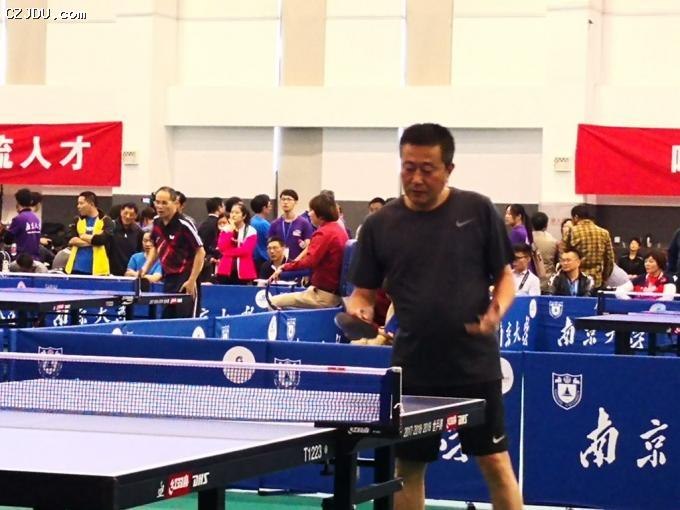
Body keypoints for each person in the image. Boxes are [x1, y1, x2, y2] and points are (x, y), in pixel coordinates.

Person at [346, 123, 522, 510]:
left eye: (427, 169)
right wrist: (359, 307)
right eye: (408, 167)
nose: (416, 178)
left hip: (473, 362)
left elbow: (505, 276)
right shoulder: (379, 224)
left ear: (449, 169)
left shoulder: (477, 210)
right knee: (408, 468)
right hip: (414, 366)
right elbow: (363, 291)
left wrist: (496, 310)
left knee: (495, 463)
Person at [269, 193, 349, 309]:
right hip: (330, 292)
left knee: (272, 301)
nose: (309, 214)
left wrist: (284, 267)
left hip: (323, 295)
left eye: (312, 210)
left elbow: (309, 261)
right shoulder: (339, 230)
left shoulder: (323, 233)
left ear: (320, 214)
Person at [140, 186, 205, 318]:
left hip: (186, 278)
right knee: (168, 319)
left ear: (175, 203)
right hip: (168, 278)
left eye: (164, 203)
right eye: (157, 202)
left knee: (186, 321)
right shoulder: (157, 222)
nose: (160, 206)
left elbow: (200, 252)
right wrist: (145, 268)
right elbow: (155, 247)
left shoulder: (184, 224)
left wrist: (191, 280)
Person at [565, 204, 615, 289]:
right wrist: (604, 278)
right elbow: (610, 259)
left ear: (576, 217)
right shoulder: (604, 233)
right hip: (596, 280)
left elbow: (564, 255)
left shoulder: (572, 231)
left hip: (576, 280)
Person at [65, 191, 114, 276]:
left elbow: (102, 239)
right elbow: (72, 240)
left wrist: (82, 236)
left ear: (91, 204)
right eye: (78, 203)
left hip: (98, 271)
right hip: (75, 269)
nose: (78, 206)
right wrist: (94, 241)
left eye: (81, 203)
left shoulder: (106, 220)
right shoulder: (77, 220)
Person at [214, 203, 258, 285]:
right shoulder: (225, 229)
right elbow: (222, 247)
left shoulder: (251, 230)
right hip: (225, 271)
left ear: (244, 216)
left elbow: (246, 251)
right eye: (232, 212)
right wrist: (230, 230)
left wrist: (227, 252)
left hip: (244, 272)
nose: (233, 215)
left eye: (237, 213)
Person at [267, 189, 314, 261]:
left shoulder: (304, 223)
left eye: (289, 199)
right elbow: (270, 245)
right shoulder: (274, 224)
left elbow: (308, 246)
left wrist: (296, 261)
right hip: (279, 263)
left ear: (296, 202)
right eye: (283, 199)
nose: (285, 202)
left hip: (298, 263)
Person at [0, 188, 42, 260]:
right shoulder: (36, 219)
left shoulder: (19, 219)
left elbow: (8, 240)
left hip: (22, 260)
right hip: (35, 259)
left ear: (18, 202)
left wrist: (3, 230)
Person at [109, 203, 143, 276]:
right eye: (125, 213)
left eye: (131, 214)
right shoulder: (111, 227)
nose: (128, 216)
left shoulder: (139, 232)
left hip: (130, 273)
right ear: (121, 212)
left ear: (136, 216)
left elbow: (139, 252)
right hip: (111, 273)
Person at [197, 197, 225, 282]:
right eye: (223, 206)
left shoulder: (204, 223)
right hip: (210, 261)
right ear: (219, 208)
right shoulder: (215, 223)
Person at [531, 211, 558, 291]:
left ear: (531, 224)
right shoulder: (553, 241)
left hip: (530, 277)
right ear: (546, 225)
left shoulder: (526, 239)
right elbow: (556, 261)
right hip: (548, 279)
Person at [249, 194, 272, 269]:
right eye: (269, 205)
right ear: (264, 208)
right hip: (264, 259)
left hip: (252, 258)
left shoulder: (251, 221)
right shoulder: (264, 224)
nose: (271, 208)